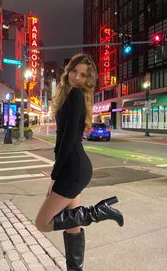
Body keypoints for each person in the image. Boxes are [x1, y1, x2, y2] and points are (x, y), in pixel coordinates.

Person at [36, 53, 124, 270]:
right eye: (74, 71)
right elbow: (61, 140)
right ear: (68, 71)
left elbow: (68, 140)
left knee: (42, 223)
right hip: (73, 167)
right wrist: (56, 169)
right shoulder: (69, 94)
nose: (76, 77)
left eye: (83, 75)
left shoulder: (76, 95)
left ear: (88, 80)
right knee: (72, 225)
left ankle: (99, 212)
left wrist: (55, 177)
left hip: (73, 169)